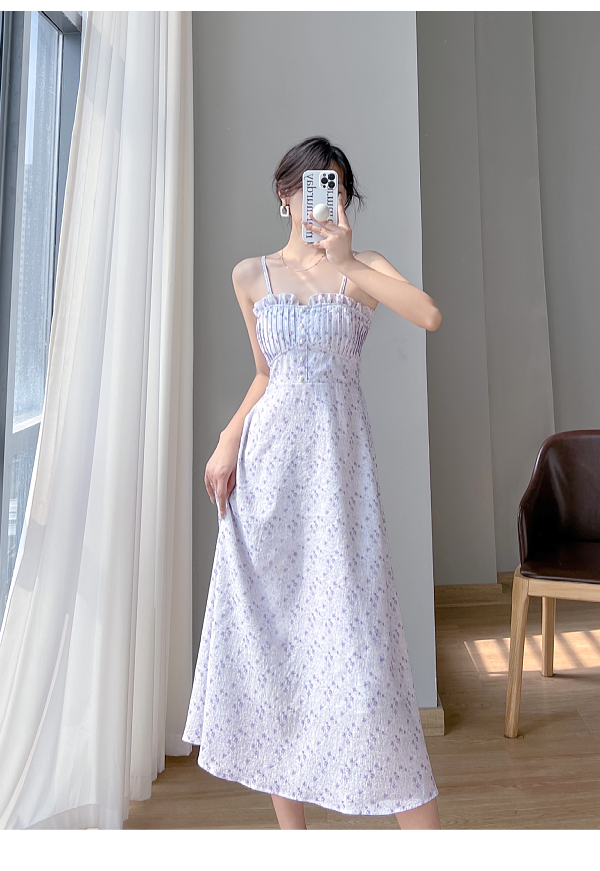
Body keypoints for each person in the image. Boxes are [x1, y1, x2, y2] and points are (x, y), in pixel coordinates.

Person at [181, 136, 443, 830]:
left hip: (337, 485)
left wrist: (348, 260)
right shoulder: (251, 276)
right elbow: (266, 375)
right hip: (267, 481)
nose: (319, 199)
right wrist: (228, 437)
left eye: (335, 187)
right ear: (284, 195)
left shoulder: (364, 268)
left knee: (365, 662)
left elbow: (428, 315)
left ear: (345, 199)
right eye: (308, 186)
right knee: (276, 656)